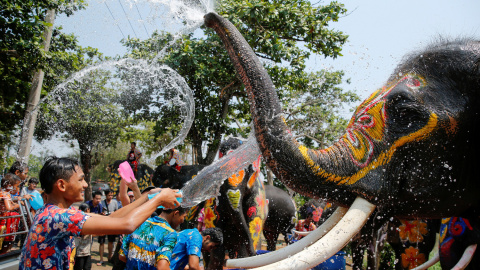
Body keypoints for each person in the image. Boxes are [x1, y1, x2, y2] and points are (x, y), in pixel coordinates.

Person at [19, 156, 181, 270]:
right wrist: (159, 200)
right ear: (62, 185)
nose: (85, 184)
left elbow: (111, 219)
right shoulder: (58, 217)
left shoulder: (51, 213)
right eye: (81, 179)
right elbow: (127, 224)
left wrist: (147, 196)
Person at [119, 206, 188, 270]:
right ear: (176, 213)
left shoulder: (139, 222)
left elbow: (122, 256)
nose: (182, 221)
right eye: (184, 217)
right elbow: (162, 267)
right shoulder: (170, 233)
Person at [0, 173, 22, 254]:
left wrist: (15, 200)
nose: (17, 189)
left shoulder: (2, 191)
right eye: (16, 186)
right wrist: (18, 205)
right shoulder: (6, 194)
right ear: (9, 185)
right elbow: (9, 207)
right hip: (2, 221)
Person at [98, 189, 119, 265]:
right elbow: (99, 213)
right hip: (103, 224)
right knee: (102, 242)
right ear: (106, 195)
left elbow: (117, 212)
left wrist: (113, 214)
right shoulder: (101, 203)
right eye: (109, 195)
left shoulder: (115, 202)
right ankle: (101, 259)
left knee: (111, 241)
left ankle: (110, 257)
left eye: (111, 195)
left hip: (111, 224)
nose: (110, 197)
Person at [74, 203, 92, 270]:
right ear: (87, 210)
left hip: (85, 251)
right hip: (80, 252)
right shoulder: (87, 220)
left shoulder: (77, 220)